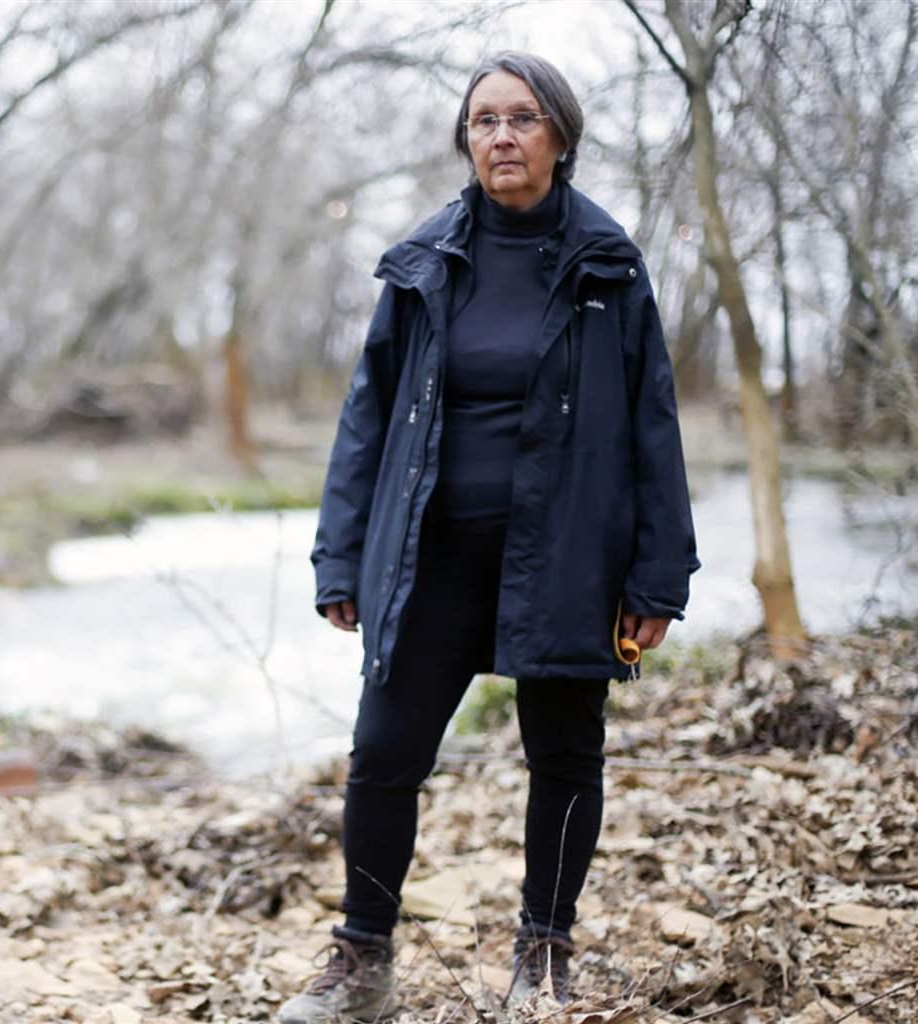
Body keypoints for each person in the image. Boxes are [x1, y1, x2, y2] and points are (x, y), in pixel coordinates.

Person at [282, 51, 698, 1022]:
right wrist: (339, 556)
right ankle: (361, 960)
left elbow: (652, 424)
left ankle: (541, 955)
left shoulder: (606, 264)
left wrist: (656, 578)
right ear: (464, 140)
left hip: (563, 559)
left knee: (563, 756)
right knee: (381, 754)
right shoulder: (423, 264)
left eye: (520, 119)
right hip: (429, 558)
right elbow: (365, 422)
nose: (500, 136)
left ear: (558, 134)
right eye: (482, 121)